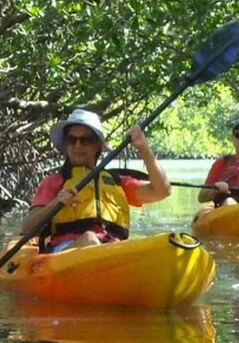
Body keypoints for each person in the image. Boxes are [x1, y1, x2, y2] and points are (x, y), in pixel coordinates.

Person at [22, 108, 171, 252]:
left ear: (97, 146)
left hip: (111, 250)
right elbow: (28, 229)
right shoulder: (54, 182)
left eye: (86, 140)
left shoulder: (117, 181)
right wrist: (56, 203)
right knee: (90, 239)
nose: (77, 145)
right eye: (72, 140)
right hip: (66, 252)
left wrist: (143, 149)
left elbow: (162, 191)